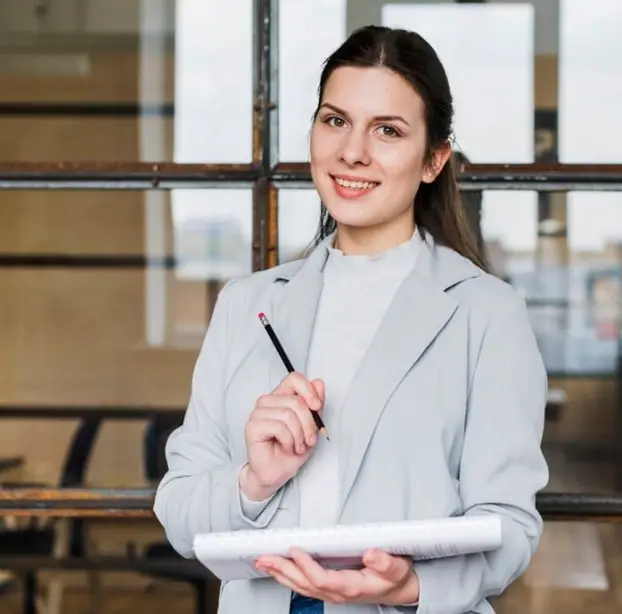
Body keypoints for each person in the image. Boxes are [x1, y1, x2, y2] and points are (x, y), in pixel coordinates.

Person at [153, 24, 549, 614]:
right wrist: (254, 481)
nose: (352, 151)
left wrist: (410, 586)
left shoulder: (487, 314)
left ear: (433, 159)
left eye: (387, 131)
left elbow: (510, 525)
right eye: (335, 121)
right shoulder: (247, 305)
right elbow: (180, 513)